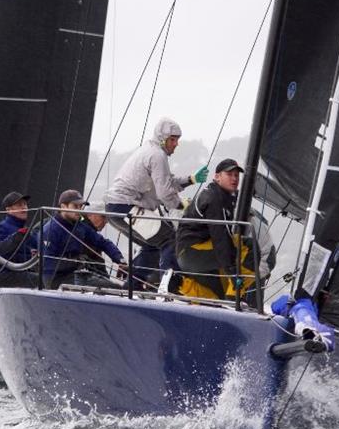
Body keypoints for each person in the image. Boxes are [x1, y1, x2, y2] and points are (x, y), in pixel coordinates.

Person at [104, 117, 208, 291]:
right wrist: (182, 206)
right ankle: (168, 288)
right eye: (173, 140)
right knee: (170, 238)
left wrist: (190, 179)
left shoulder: (150, 151)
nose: (176, 144)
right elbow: (165, 193)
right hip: (126, 206)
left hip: (114, 209)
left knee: (152, 244)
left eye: (177, 140)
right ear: (162, 139)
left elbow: (166, 182)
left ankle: (130, 287)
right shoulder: (157, 155)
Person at [176, 159, 255, 300]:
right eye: (229, 174)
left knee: (216, 298)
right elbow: (221, 236)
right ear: (217, 177)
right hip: (194, 253)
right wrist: (232, 272)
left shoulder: (218, 193)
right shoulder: (215, 199)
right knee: (249, 247)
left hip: (188, 255)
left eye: (237, 175)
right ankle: (234, 297)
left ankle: (178, 284)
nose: (234, 178)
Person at [42, 190, 126, 289]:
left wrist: (120, 261)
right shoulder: (50, 230)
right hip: (57, 279)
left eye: (81, 206)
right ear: (63, 206)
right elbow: (47, 264)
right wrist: (77, 261)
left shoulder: (79, 226)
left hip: (77, 274)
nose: (80, 210)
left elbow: (102, 242)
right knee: (112, 288)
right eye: (75, 206)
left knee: (116, 287)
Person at [0, 191, 38, 287]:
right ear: (8, 210)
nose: (24, 207)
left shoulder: (27, 230)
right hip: (7, 276)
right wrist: (16, 237)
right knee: (42, 281)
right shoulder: (0, 228)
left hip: (23, 273)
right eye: (19, 205)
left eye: (25, 204)